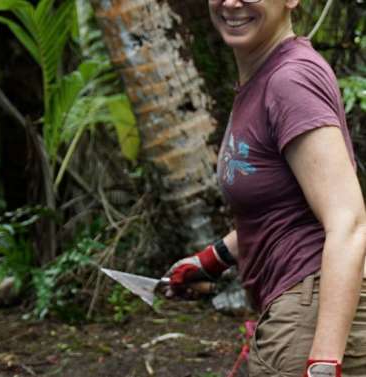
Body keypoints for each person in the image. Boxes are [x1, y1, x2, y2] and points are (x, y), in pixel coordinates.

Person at [163, 1, 366, 376]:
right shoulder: (263, 76)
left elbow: (348, 220)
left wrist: (324, 362)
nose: (231, 3)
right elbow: (283, 205)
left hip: (310, 311)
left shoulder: (290, 81)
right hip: (294, 304)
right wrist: (213, 259)